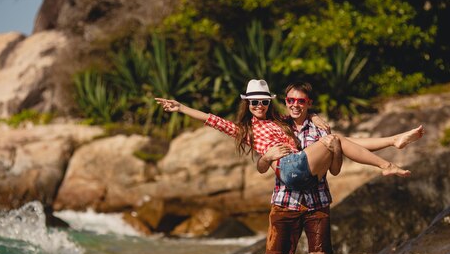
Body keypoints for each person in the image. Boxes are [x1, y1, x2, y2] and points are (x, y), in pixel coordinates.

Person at [255, 81, 424, 254]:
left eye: (301, 101)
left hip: (317, 200)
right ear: (284, 102)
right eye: (290, 100)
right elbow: (260, 158)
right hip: (286, 201)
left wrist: (328, 139)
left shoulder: (321, 130)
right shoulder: (276, 125)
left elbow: (335, 169)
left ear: (309, 103)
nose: (295, 105)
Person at [156, 79, 410, 193]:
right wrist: (180, 108)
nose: (259, 105)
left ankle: (392, 141)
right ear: (248, 104)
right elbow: (212, 119)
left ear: (269, 103)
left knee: (339, 141)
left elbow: (301, 113)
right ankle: (385, 165)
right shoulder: (245, 130)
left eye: (263, 102)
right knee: (338, 141)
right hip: (289, 169)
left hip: (302, 166)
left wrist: (314, 116)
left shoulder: (281, 121)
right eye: (254, 102)